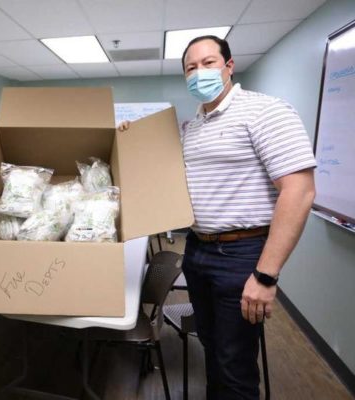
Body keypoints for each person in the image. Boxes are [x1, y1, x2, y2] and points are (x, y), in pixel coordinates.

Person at [119, 36, 316, 399]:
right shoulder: (193, 128)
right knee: (212, 349)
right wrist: (131, 139)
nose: (199, 73)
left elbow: (299, 191)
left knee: (234, 363)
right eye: (191, 68)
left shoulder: (265, 111)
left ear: (229, 66)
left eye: (208, 63)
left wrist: (265, 275)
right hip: (198, 250)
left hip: (242, 256)